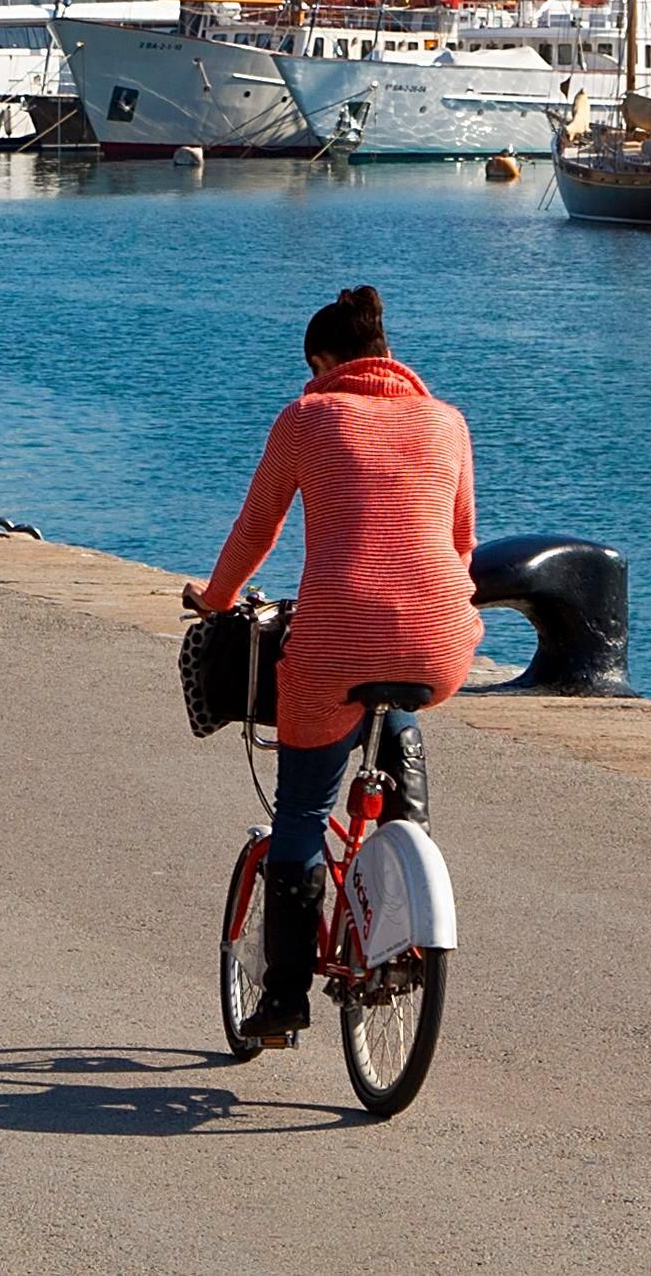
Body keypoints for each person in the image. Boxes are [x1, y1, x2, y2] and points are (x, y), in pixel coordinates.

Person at [189, 284, 478, 1054]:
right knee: (398, 702)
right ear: (387, 355)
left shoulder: (308, 416)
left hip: (335, 644)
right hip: (439, 642)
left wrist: (216, 598)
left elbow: (258, 527)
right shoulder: (448, 421)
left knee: (304, 812)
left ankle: (284, 994)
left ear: (324, 362)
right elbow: (460, 545)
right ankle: (405, 847)